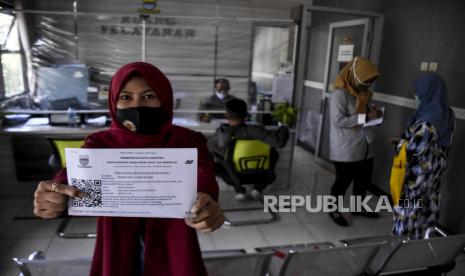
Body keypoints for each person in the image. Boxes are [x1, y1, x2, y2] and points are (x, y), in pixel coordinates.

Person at [33, 62, 225, 276]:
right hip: (118, 243)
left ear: (165, 98)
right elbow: (69, 181)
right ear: (114, 101)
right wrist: (53, 196)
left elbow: (205, 185)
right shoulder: (99, 143)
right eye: (126, 97)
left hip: (173, 243)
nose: (137, 106)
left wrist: (208, 208)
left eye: (149, 96)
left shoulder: (187, 141)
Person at [392, 73, 455, 239]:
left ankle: (401, 246)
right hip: (436, 170)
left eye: (419, 92)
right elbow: (438, 140)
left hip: (418, 173)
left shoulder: (427, 120)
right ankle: (424, 247)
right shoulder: (447, 113)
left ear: (428, 91)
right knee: (428, 209)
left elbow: (415, 149)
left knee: (408, 211)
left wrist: (401, 144)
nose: (417, 95)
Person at [328, 57, 382, 226]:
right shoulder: (339, 95)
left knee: (363, 180)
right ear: (355, 76)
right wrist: (365, 117)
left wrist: (375, 114)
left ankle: (357, 207)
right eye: (366, 81)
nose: (368, 86)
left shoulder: (362, 94)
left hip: (364, 144)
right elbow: (339, 120)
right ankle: (334, 210)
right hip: (346, 148)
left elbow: (364, 117)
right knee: (343, 181)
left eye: (371, 82)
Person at [208, 98, 289, 200]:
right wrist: (283, 127)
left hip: (234, 176)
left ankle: (239, 189)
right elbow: (279, 143)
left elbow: (210, 149)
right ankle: (258, 187)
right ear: (246, 115)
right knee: (274, 153)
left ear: (226, 115)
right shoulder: (258, 131)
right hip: (261, 174)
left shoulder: (221, 134)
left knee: (218, 160)